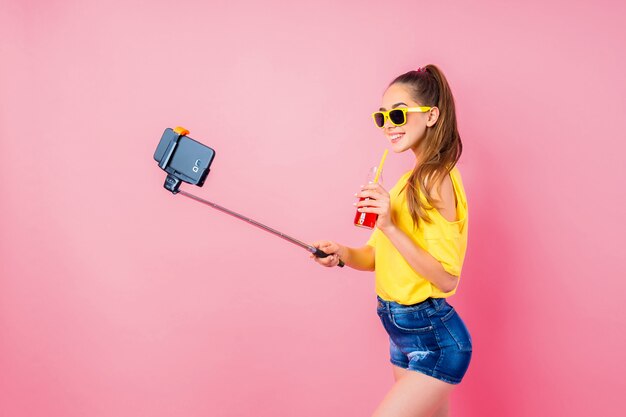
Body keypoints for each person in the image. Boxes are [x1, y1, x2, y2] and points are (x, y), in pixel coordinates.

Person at [311, 65, 472, 417]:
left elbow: (447, 277)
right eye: (381, 116)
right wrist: (341, 254)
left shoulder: (435, 178)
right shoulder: (406, 182)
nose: (388, 124)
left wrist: (391, 226)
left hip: (432, 337)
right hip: (402, 334)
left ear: (431, 116)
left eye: (397, 114)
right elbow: (375, 257)